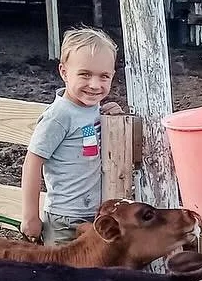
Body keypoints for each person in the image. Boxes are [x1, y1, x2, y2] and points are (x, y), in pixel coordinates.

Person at [22, 26, 126, 245]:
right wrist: (30, 216)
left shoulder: (95, 109)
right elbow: (33, 161)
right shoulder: (59, 115)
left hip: (96, 214)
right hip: (65, 219)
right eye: (85, 74)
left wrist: (113, 118)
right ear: (63, 72)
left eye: (104, 76)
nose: (95, 85)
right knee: (61, 273)